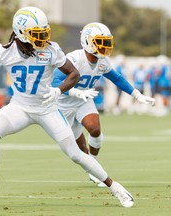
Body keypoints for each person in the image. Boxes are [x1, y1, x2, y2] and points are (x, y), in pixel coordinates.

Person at [0, 7, 134, 208]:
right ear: (21, 33)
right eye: (37, 35)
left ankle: (115, 187)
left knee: (75, 154)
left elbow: (73, 74)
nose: (43, 39)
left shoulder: (50, 50)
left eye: (44, 33)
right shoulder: (6, 51)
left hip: (47, 108)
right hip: (20, 107)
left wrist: (59, 90)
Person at [52, 22, 155, 187]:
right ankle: (91, 168)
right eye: (100, 41)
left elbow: (117, 78)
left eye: (106, 42)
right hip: (63, 104)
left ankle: (94, 167)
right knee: (79, 147)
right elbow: (54, 80)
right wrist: (74, 92)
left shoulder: (102, 61)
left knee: (95, 129)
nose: (105, 46)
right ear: (88, 41)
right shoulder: (74, 58)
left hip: (84, 101)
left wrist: (137, 94)